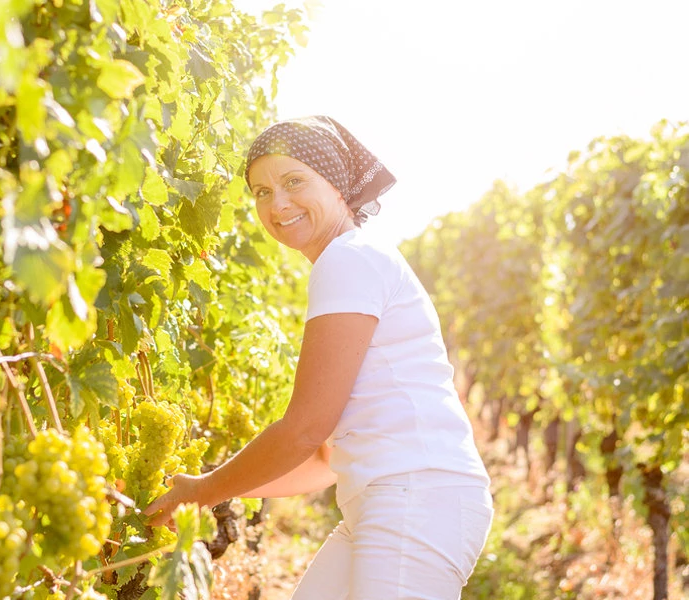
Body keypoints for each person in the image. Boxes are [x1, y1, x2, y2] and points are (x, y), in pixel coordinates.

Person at [145, 116, 493, 600]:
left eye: (294, 181)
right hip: (391, 501)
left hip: (415, 501)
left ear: (336, 184)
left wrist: (205, 488)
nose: (278, 203)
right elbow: (326, 460)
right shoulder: (355, 258)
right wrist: (214, 490)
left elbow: (305, 428)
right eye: (261, 191)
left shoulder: (349, 258)